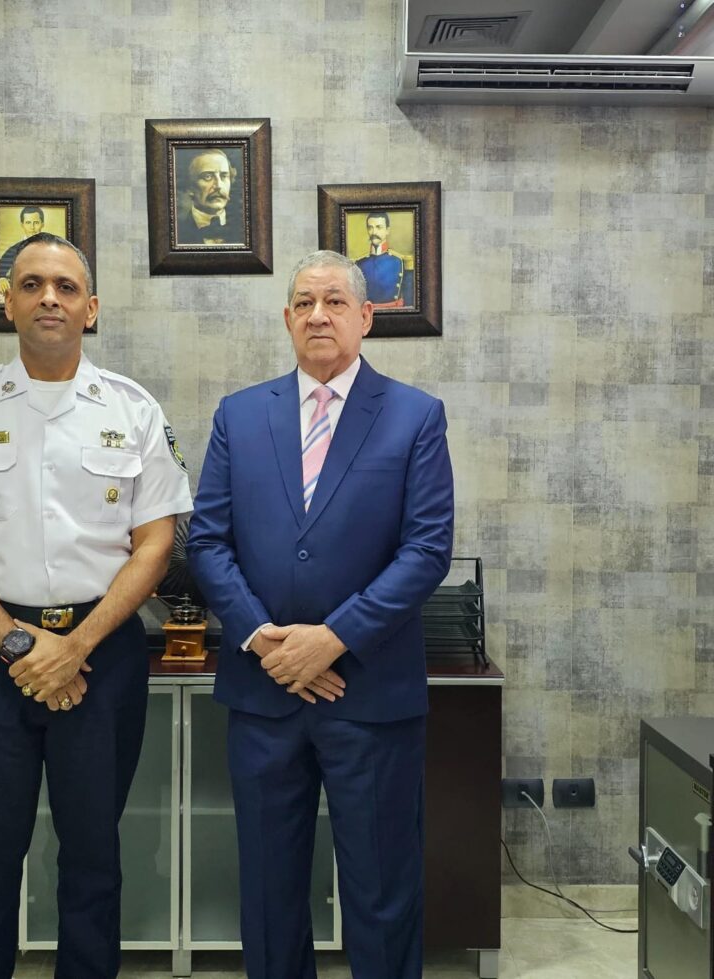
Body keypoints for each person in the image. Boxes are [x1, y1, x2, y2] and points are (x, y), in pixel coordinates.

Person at [0, 232, 192, 979]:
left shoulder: (133, 409)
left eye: (65, 286)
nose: (49, 298)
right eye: (31, 284)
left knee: (93, 851)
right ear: (8, 303)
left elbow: (156, 546)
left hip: (102, 656)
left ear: (92, 308)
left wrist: (76, 646)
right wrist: (19, 645)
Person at [187, 250, 453, 979]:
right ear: (286, 318)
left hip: (370, 695)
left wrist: (334, 637)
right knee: (268, 889)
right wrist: (264, 640)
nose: (318, 315)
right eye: (304, 302)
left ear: (366, 317)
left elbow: (427, 550)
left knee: (381, 889)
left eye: (335, 301)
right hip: (264, 691)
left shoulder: (415, 416)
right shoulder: (240, 415)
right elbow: (207, 541)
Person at [175, 147, 245, 246]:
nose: (219, 186)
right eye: (207, 176)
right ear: (190, 186)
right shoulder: (177, 232)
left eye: (224, 176)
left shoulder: (244, 228)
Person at [355, 211, 414, 308]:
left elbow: (409, 302)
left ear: (387, 230)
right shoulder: (359, 263)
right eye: (370, 227)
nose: (374, 232)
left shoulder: (401, 261)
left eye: (379, 227)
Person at [0, 206, 46, 301]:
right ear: (22, 225)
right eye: (28, 223)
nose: (32, 227)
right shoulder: (14, 249)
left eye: (36, 222)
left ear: (42, 224)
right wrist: (1, 278)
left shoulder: (54, 250)